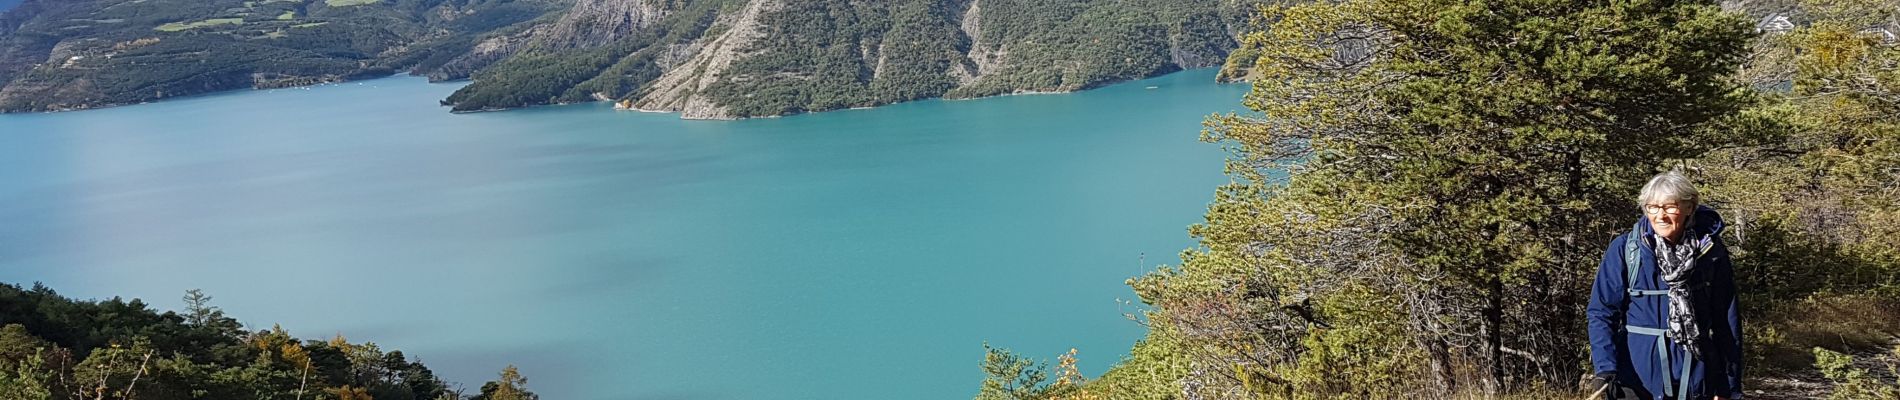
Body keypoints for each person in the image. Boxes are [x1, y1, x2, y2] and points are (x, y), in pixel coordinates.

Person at [1587, 171, 1744, 400]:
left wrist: (1729, 387)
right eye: (1652, 207)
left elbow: (1726, 322)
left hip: (1696, 375)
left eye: (1670, 207)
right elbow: (1601, 313)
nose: (1660, 216)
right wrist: (1605, 369)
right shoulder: (1625, 250)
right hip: (1636, 376)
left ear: (1689, 207)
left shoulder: (1710, 252)